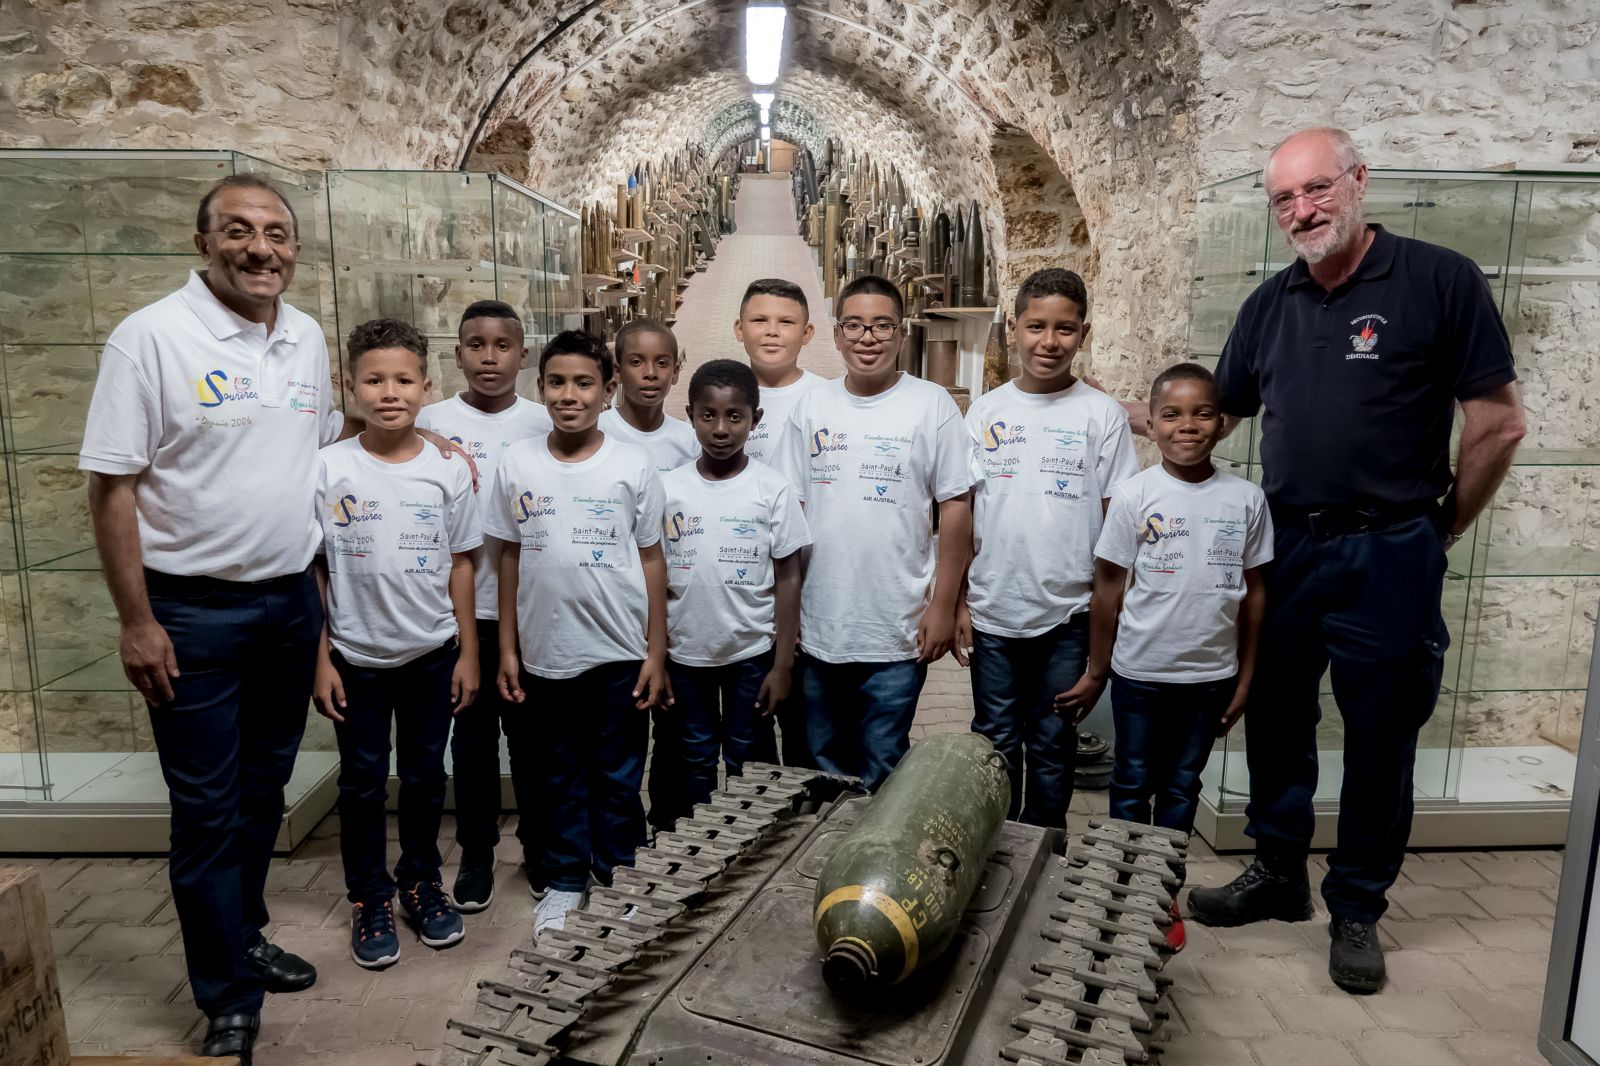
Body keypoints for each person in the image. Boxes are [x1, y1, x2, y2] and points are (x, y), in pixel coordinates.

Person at [1186, 127, 1526, 994]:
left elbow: (1498, 422)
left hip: (1391, 548)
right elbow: (1215, 411)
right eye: (1285, 200)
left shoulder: (1438, 280)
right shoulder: (1271, 303)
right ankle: (1278, 872)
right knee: (1276, 716)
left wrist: (1441, 525)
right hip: (1288, 542)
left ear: (1359, 181)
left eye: (1317, 189)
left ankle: (1358, 906)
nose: (1303, 211)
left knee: (1381, 734)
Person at [78, 174, 335, 1062]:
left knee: (263, 789)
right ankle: (223, 991)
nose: (261, 248)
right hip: (191, 612)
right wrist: (137, 621)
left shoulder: (304, 336)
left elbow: (307, 453)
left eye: (276, 232)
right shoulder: (149, 339)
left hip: (288, 604)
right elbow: (110, 489)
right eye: (238, 231)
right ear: (203, 244)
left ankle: (246, 936)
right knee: (207, 810)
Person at [1068, 362, 1271, 952]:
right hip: (1141, 675)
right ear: (1151, 425)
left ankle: (1162, 896)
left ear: (1224, 423)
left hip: (1209, 679)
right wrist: (1098, 670)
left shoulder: (1245, 499)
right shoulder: (1136, 495)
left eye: (1203, 413)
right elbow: (1107, 587)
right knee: (1131, 785)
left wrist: (1246, 677)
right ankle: (1123, 894)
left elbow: (1256, 593)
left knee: (1181, 789)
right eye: (1173, 415)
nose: (1188, 426)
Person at [485, 330, 671, 935]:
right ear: (540, 390)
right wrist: (509, 648)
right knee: (557, 775)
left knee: (618, 775)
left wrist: (655, 652)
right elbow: (508, 557)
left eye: (584, 382)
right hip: (544, 655)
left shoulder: (632, 466)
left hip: (618, 652)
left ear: (607, 389)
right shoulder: (517, 464)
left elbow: (651, 560)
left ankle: (620, 872)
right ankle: (565, 880)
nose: (570, 395)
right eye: (557, 382)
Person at [312, 319, 479, 967]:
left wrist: (466, 651)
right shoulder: (327, 468)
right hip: (355, 659)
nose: (390, 392)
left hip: (431, 654)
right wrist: (320, 656)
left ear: (425, 386)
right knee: (359, 783)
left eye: (404, 380)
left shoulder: (446, 469)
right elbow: (314, 569)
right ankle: (368, 895)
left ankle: (419, 880)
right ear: (348, 387)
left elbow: (463, 562)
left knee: (422, 776)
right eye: (374, 380)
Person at [773, 274, 974, 790]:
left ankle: (874, 869)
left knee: (884, 762)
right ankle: (823, 867)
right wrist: (787, 619)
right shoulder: (811, 408)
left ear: (902, 333)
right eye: (856, 326)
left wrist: (944, 605)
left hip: (897, 627)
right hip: (820, 628)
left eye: (882, 325)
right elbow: (789, 516)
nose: (869, 337)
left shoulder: (932, 407)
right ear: (837, 335)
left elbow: (955, 508)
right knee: (822, 764)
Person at [958, 268, 1138, 830]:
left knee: (1054, 740)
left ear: (1083, 333)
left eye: (1064, 329)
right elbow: (962, 516)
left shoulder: (1101, 416)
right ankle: (996, 842)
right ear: (1015, 328)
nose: (1049, 341)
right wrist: (960, 600)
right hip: (993, 612)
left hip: (1068, 614)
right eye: (1036, 326)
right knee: (994, 740)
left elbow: (1117, 528)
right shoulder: (986, 413)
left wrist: (1104, 629)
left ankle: (1044, 844)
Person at [414, 300, 552, 911]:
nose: (489, 357)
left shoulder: (544, 422)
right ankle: (475, 854)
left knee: (531, 739)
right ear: (457, 354)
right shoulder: (428, 421)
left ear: (524, 356)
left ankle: (539, 844)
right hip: (462, 615)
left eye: (502, 346)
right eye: (475, 344)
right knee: (470, 743)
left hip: (529, 615)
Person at [652, 359, 811, 826]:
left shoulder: (772, 489)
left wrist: (782, 664)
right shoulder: (667, 490)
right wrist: (657, 657)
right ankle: (698, 849)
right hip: (686, 658)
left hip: (751, 656)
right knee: (695, 759)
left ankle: (753, 851)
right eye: (708, 415)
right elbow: (654, 580)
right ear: (691, 415)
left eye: (735, 416)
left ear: (754, 420)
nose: (720, 429)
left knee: (751, 761)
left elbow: (788, 577)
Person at [733, 277, 826, 770]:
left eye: (786, 322)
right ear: (739, 328)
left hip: (807, 594)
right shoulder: (723, 398)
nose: (772, 332)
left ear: (807, 333)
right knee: (750, 740)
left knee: (807, 732)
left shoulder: (824, 399)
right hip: (740, 601)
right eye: (759, 321)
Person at [599, 318, 698, 474]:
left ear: (675, 372)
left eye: (662, 363)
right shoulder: (598, 432)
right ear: (618, 372)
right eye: (637, 362)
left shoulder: (690, 441)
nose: (650, 373)